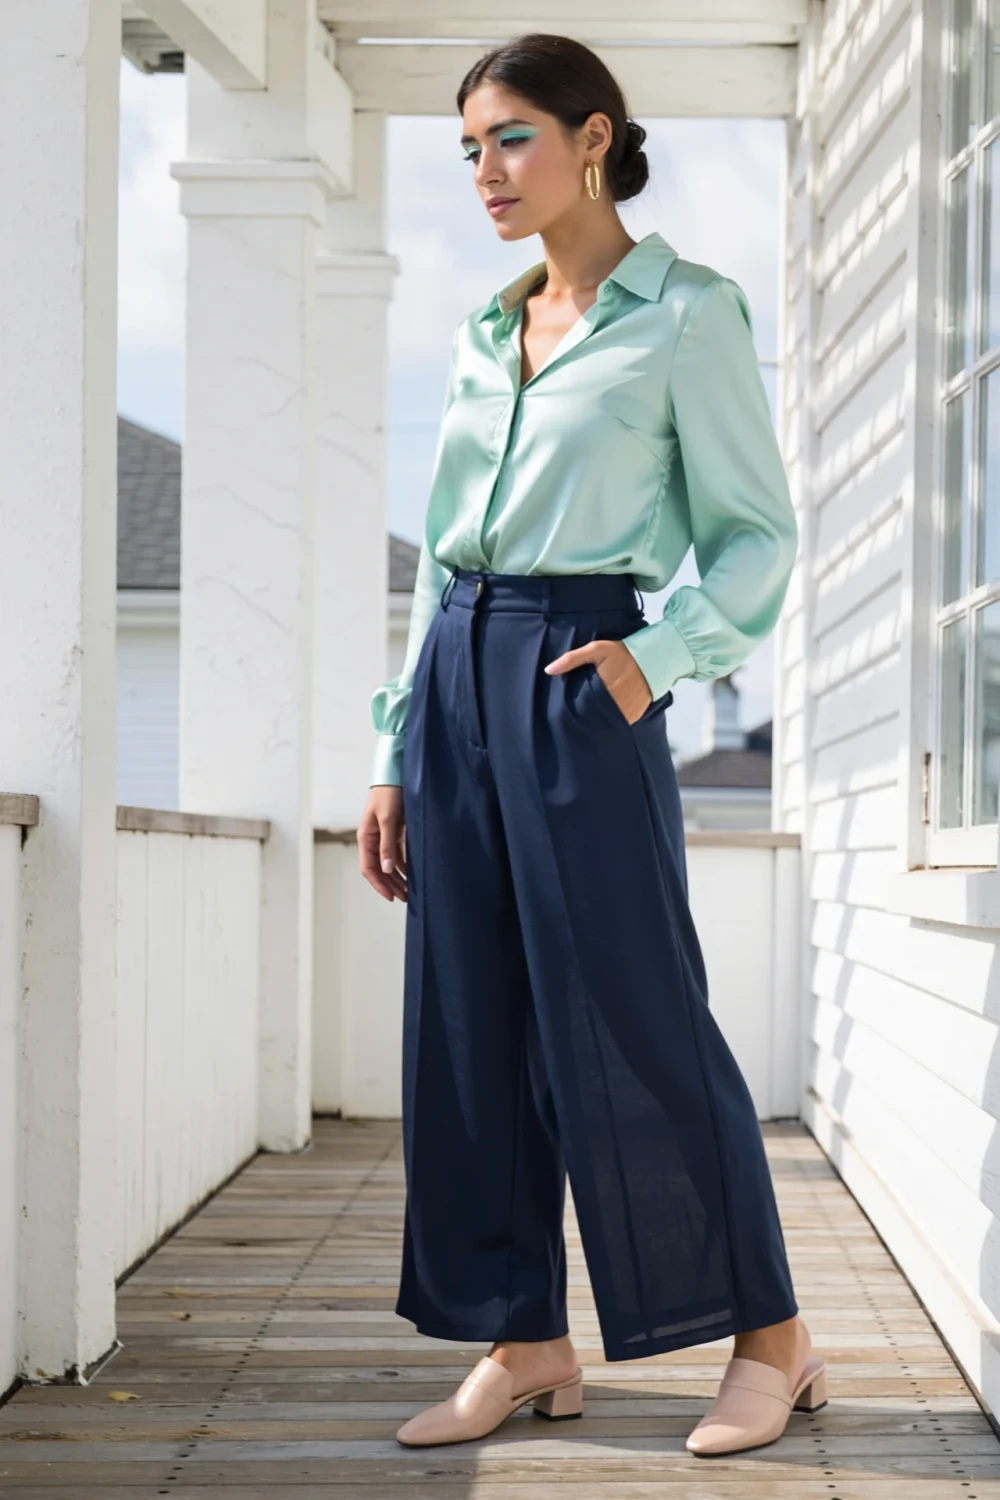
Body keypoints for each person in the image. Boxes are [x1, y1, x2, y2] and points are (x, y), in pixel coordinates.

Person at [356, 31, 827, 1458]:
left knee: (635, 1012)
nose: (485, 173)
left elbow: (754, 538)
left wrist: (657, 656)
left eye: (509, 139)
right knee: (470, 1021)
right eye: (467, 151)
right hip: (455, 677)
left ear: (596, 138)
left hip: (580, 674)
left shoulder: (686, 314)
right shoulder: (480, 335)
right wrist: (392, 746)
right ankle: (527, 1340)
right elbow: (442, 565)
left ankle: (773, 1335)